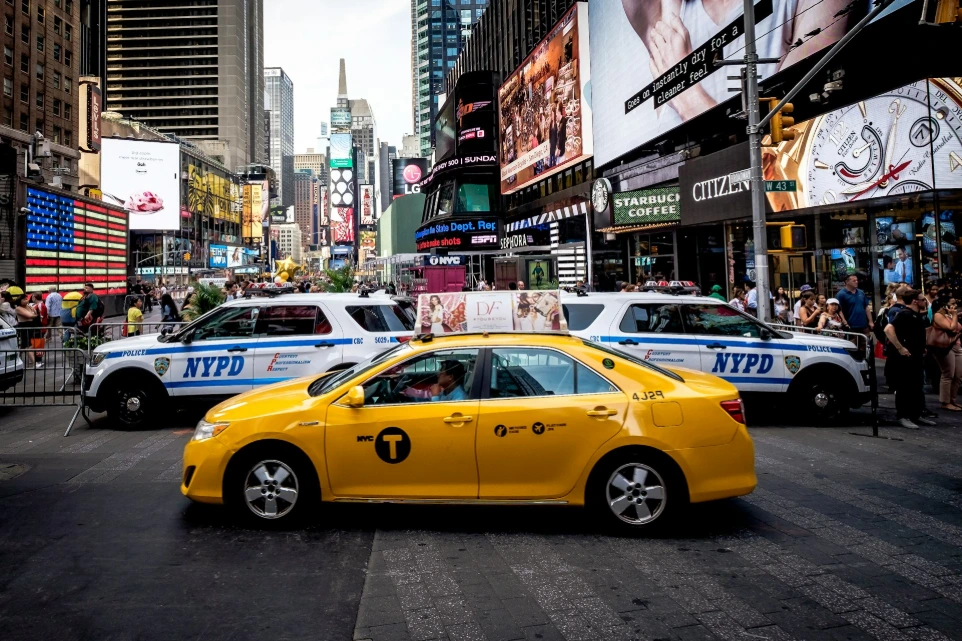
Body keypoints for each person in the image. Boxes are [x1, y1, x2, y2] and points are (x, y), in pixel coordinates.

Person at [885, 289, 934, 429]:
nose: (924, 301)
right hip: (905, 358)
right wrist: (900, 348)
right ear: (915, 301)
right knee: (905, 387)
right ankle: (903, 416)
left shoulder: (915, 315)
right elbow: (888, 329)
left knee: (917, 386)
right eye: (922, 299)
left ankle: (916, 415)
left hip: (916, 356)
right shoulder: (904, 314)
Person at [930, 293, 962, 412]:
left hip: (956, 346)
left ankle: (953, 400)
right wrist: (954, 316)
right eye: (952, 303)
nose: (955, 305)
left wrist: (955, 315)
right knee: (948, 373)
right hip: (944, 347)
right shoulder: (938, 315)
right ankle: (945, 401)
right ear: (945, 306)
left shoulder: (951, 315)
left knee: (958, 375)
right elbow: (952, 328)